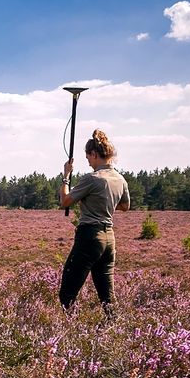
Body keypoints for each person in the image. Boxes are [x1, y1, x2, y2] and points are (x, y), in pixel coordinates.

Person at [58, 129, 130, 314]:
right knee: (107, 296)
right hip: (109, 239)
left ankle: (67, 332)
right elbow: (125, 206)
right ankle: (114, 330)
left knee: (67, 292)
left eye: (88, 157)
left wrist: (66, 176)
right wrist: (105, 202)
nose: (88, 161)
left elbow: (65, 201)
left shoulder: (92, 179)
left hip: (89, 236)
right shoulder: (120, 179)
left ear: (95, 154)